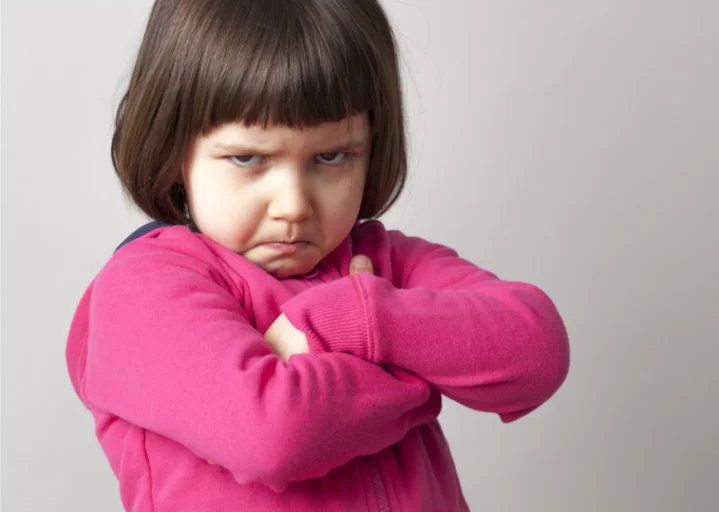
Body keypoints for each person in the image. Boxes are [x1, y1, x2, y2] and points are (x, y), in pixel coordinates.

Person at [65, 0, 570, 510]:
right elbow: (274, 436)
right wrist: (420, 373)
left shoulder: (384, 260)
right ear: (174, 153)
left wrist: (347, 321)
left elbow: (537, 352)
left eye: (331, 157)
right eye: (248, 158)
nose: (294, 206)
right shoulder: (143, 289)